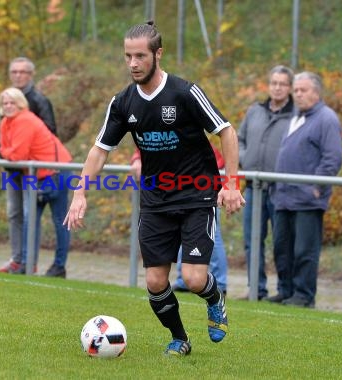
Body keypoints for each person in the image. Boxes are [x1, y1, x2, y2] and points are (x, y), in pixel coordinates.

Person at [64, 21, 245, 356]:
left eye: (140, 56)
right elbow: (100, 149)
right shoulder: (123, 103)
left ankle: (214, 296)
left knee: (193, 278)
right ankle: (179, 339)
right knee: (155, 282)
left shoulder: (185, 93)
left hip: (196, 194)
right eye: (127, 56)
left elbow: (227, 131)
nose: (133, 63)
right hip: (155, 200)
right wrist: (80, 193)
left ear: (157, 54)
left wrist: (230, 184)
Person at [268, 71, 342, 308]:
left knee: (304, 251)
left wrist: (317, 187)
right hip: (284, 197)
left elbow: (332, 158)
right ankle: (286, 290)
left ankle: (303, 295)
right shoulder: (295, 117)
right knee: (282, 248)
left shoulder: (326, 118)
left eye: (303, 90)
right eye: (296, 90)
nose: (298, 94)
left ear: (316, 92)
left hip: (307, 199)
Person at [130, 146, 229, 294]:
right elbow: (152, 142)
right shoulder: (156, 133)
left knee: (213, 239)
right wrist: (137, 157)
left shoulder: (189, 132)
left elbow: (217, 154)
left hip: (200, 194)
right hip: (172, 195)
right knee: (182, 237)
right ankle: (184, 281)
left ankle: (219, 284)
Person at [0, 87, 72, 277]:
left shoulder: (25, 120)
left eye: (12, 102)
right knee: (30, 219)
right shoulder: (6, 122)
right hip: (36, 175)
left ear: (21, 103)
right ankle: (26, 263)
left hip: (56, 171)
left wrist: (5, 152)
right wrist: (6, 152)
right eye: (4, 103)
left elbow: (15, 154)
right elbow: (6, 149)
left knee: (59, 221)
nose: (8, 106)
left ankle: (59, 266)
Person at [0, 57, 58, 274]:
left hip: (33, 169)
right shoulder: (6, 101)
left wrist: (20, 150)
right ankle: (16, 258)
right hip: (13, 168)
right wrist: (7, 152)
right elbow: (2, 139)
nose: (18, 75)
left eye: (22, 72)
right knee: (14, 213)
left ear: (31, 75)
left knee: (31, 215)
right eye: (14, 71)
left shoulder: (39, 101)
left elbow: (49, 133)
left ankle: (29, 262)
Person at [238, 65, 295, 300]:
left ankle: (285, 291)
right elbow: (239, 139)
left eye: (282, 84)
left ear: (290, 88)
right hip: (253, 188)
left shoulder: (296, 115)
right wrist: (244, 158)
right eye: (274, 83)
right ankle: (256, 289)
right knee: (252, 241)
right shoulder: (255, 111)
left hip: (281, 189)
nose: (277, 88)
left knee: (283, 243)